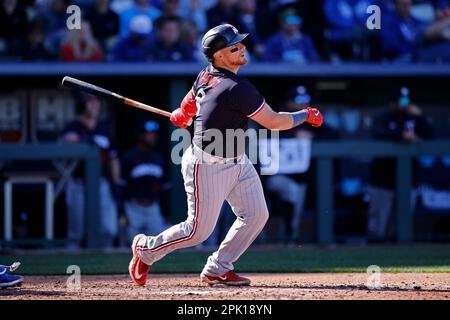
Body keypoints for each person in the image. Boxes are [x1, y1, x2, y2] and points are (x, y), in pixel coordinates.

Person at [128, 23, 323, 287]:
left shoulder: (208, 75)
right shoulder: (235, 87)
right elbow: (274, 122)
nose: (242, 48)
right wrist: (306, 114)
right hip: (207, 164)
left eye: (241, 43)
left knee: (256, 215)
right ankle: (146, 250)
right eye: (235, 46)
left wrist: (182, 113)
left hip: (237, 161)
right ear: (219, 56)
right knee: (197, 231)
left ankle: (218, 268)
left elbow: (190, 100)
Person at [368, 87, 433, 241]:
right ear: (393, 103)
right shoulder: (383, 117)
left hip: (407, 178)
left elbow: (430, 135)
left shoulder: (414, 118)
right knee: (379, 223)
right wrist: (400, 135)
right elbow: (376, 133)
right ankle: (374, 250)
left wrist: (421, 116)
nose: (405, 104)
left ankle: (401, 250)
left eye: (407, 101)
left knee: (404, 222)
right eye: (401, 101)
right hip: (383, 178)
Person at [61, 92, 120, 249]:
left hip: (102, 183)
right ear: (82, 105)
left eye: (96, 102)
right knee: (76, 232)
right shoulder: (72, 127)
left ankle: (107, 268)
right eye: (90, 102)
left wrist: (116, 183)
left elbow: (113, 158)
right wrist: (81, 140)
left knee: (109, 229)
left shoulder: (104, 129)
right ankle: (71, 269)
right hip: (79, 183)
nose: (95, 105)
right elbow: (66, 141)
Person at [120, 120, 170, 245]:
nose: (153, 136)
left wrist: (166, 213)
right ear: (141, 135)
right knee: (131, 248)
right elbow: (120, 186)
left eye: (154, 133)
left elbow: (164, 188)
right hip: (133, 208)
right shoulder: (129, 157)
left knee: (156, 247)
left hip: (153, 208)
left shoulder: (159, 158)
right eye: (149, 133)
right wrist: (122, 212)